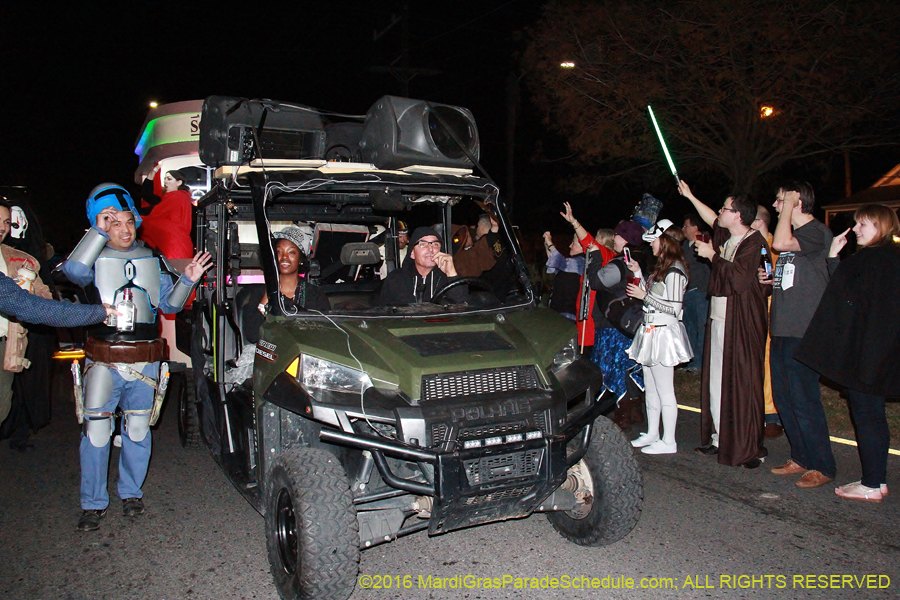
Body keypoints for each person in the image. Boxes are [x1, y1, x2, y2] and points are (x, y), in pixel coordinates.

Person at [62, 183, 211, 531]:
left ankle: (132, 493)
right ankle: (93, 503)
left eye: (128, 220)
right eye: (113, 222)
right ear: (99, 224)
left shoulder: (151, 258)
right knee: (97, 433)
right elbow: (73, 272)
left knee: (139, 429)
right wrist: (97, 232)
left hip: (144, 359)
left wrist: (187, 280)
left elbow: (169, 305)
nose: (124, 228)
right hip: (102, 358)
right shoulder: (90, 259)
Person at [796, 204, 900, 502]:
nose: (855, 229)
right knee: (873, 414)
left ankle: (871, 484)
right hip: (880, 350)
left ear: (881, 225)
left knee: (867, 414)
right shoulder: (888, 258)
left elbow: (844, 296)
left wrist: (833, 258)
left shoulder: (873, 259)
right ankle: (876, 480)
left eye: (863, 224)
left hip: (869, 352)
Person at [678, 180, 770, 469]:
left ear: (738, 215)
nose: (720, 212)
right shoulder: (729, 238)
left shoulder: (753, 242)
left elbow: (740, 280)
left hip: (740, 325)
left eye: (725, 208)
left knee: (740, 383)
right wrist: (691, 195)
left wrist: (712, 256)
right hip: (720, 320)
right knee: (717, 381)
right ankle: (721, 437)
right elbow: (711, 218)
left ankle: (746, 446)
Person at [763, 182, 836, 488]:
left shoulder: (815, 232)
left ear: (797, 202)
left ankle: (823, 464)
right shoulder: (797, 238)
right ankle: (802, 456)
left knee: (804, 398)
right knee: (784, 397)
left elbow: (779, 243)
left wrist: (790, 204)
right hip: (781, 328)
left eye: (781, 201)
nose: (777, 207)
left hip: (803, 330)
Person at [625, 220, 693, 454]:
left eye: (654, 240)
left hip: (664, 334)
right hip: (652, 331)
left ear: (665, 241)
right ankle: (653, 433)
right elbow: (652, 297)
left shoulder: (675, 270)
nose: (651, 245)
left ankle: (669, 440)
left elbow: (673, 307)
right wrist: (637, 274)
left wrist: (644, 295)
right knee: (651, 388)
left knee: (665, 390)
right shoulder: (663, 269)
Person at [584, 219, 647, 430]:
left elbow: (597, 282)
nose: (614, 238)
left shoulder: (621, 263)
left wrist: (593, 258)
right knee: (629, 368)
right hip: (628, 322)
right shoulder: (638, 260)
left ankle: (623, 416)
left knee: (617, 368)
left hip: (615, 326)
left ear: (626, 239)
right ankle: (635, 412)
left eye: (618, 235)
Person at [0, 199, 53, 428]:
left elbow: (45, 301)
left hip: (7, 342)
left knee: (3, 403)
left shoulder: (18, 258)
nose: (3, 227)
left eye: (6, 222)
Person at [559, 203, 617, 354]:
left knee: (588, 364)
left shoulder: (605, 254)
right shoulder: (598, 259)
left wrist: (574, 222)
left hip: (592, 324)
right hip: (586, 324)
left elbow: (588, 242)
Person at [750, 205, 784, 438]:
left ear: (759, 223)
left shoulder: (774, 247)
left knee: (769, 364)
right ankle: (756, 411)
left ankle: (772, 415)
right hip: (753, 313)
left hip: (771, 314)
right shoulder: (751, 246)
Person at [377, 226, 468, 306]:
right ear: (412, 253)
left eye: (435, 244)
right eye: (423, 244)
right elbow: (382, 313)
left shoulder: (449, 279)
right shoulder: (396, 279)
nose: (430, 249)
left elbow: (463, 306)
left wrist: (451, 274)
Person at [258, 226, 330, 314]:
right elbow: (252, 325)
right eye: (279, 252)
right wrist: (268, 295)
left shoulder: (316, 295)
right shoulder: (257, 293)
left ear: (301, 259)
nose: (284, 257)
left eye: (291, 252)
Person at [139, 169, 193, 260]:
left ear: (179, 182)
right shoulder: (181, 197)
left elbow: (156, 215)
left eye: (169, 179)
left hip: (173, 243)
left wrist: (140, 219)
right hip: (180, 242)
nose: (165, 182)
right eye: (164, 179)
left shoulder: (176, 197)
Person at [680, 214, 710, 373]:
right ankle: (689, 361)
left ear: (695, 227)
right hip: (686, 293)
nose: (683, 229)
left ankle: (699, 362)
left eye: (686, 226)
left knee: (701, 328)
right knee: (688, 328)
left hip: (700, 293)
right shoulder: (684, 245)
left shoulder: (704, 242)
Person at [542, 230, 584, 320]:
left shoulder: (581, 263)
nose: (570, 245)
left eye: (573, 243)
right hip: (558, 313)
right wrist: (547, 245)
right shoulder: (572, 265)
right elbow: (554, 265)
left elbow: (559, 261)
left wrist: (550, 243)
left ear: (582, 247)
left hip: (567, 316)